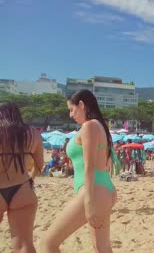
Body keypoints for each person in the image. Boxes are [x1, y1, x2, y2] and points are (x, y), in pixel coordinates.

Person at [41, 89, 117, 253]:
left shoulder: (89, 126)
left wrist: (89, 203)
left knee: (48, 243)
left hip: (94, 191)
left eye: (71, 109)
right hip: (104, 188)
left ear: (81, 105)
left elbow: (89, 166)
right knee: (102, 249)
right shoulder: (100, 126)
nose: (70, 114)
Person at [0, 102, 44, 253]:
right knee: (24, 246)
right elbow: (39, 164)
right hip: (22, 188)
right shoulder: (33, 133)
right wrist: (30, 179)